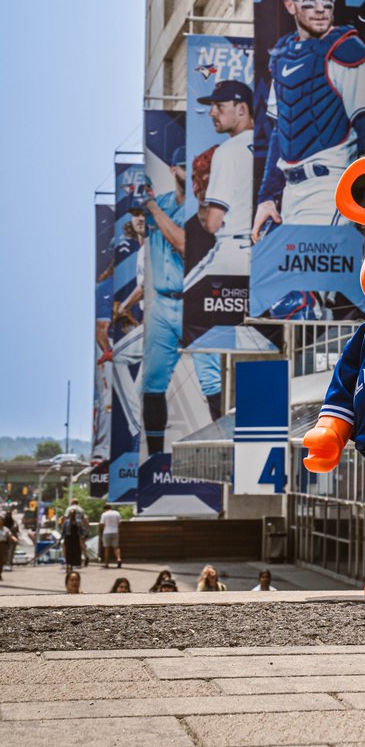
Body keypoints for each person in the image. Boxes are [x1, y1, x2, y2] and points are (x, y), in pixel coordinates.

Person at [251, 0, 365, 237]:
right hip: (290, 193)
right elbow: (280, 132)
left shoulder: (345, 49)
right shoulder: (282, 55)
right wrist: (266, 197)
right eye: (310, 2)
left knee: (313, 278)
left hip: (330, 187)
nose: (320, 9)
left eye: (327, 2)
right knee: (289, 277)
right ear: (290, 6)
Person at [139, 145, 222, 455]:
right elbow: (144, 235)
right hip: (162, 300)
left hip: (194, 301)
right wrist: (141, 218)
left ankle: (223, 446)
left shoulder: (199, 208)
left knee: (211, 380)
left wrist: (152, 209)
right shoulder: (158, 203)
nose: (189, 173)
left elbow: (186, 247)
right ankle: (155, 453)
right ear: (173, 170)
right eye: (182, 166)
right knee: (153, 380)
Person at [184, 80, 255, 290]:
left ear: (242, 109)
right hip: (267, 252)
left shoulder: (227, 151)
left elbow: (213, 223)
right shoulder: (271, 145)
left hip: (233, 250)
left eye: (220, 106)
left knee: (186, 298)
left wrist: (201, 196)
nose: (212, 113)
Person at [99, 503, 122, 568]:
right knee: (116, 547)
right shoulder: (117, 513)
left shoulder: (104, 514)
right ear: (110, 507)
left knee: (107, 548)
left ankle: (106, 564)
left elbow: (102, 524)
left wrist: (101, 531)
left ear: (104, 509)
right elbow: (120, 523)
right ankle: (118, 559)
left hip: (106, 532)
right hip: (115, 531)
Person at [0, 514, 17, 580]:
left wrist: (14, 538)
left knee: (2, 561)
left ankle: (0, 573)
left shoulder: (5, 529)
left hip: (3, 546)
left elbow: (10, 535)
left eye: (1, 520)